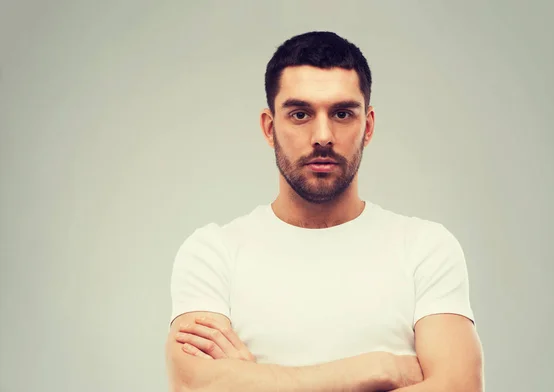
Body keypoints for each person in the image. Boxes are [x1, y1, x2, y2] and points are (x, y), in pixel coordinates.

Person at [164, 31, 484, 392]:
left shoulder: (426, 248)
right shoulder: (213, 253)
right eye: (300, 114)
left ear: (368, 126)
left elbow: (460, 386)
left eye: (342, 113)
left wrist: (257, 382)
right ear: (270, 128)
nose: (322, 136)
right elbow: (194, 386)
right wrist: (374, 370)